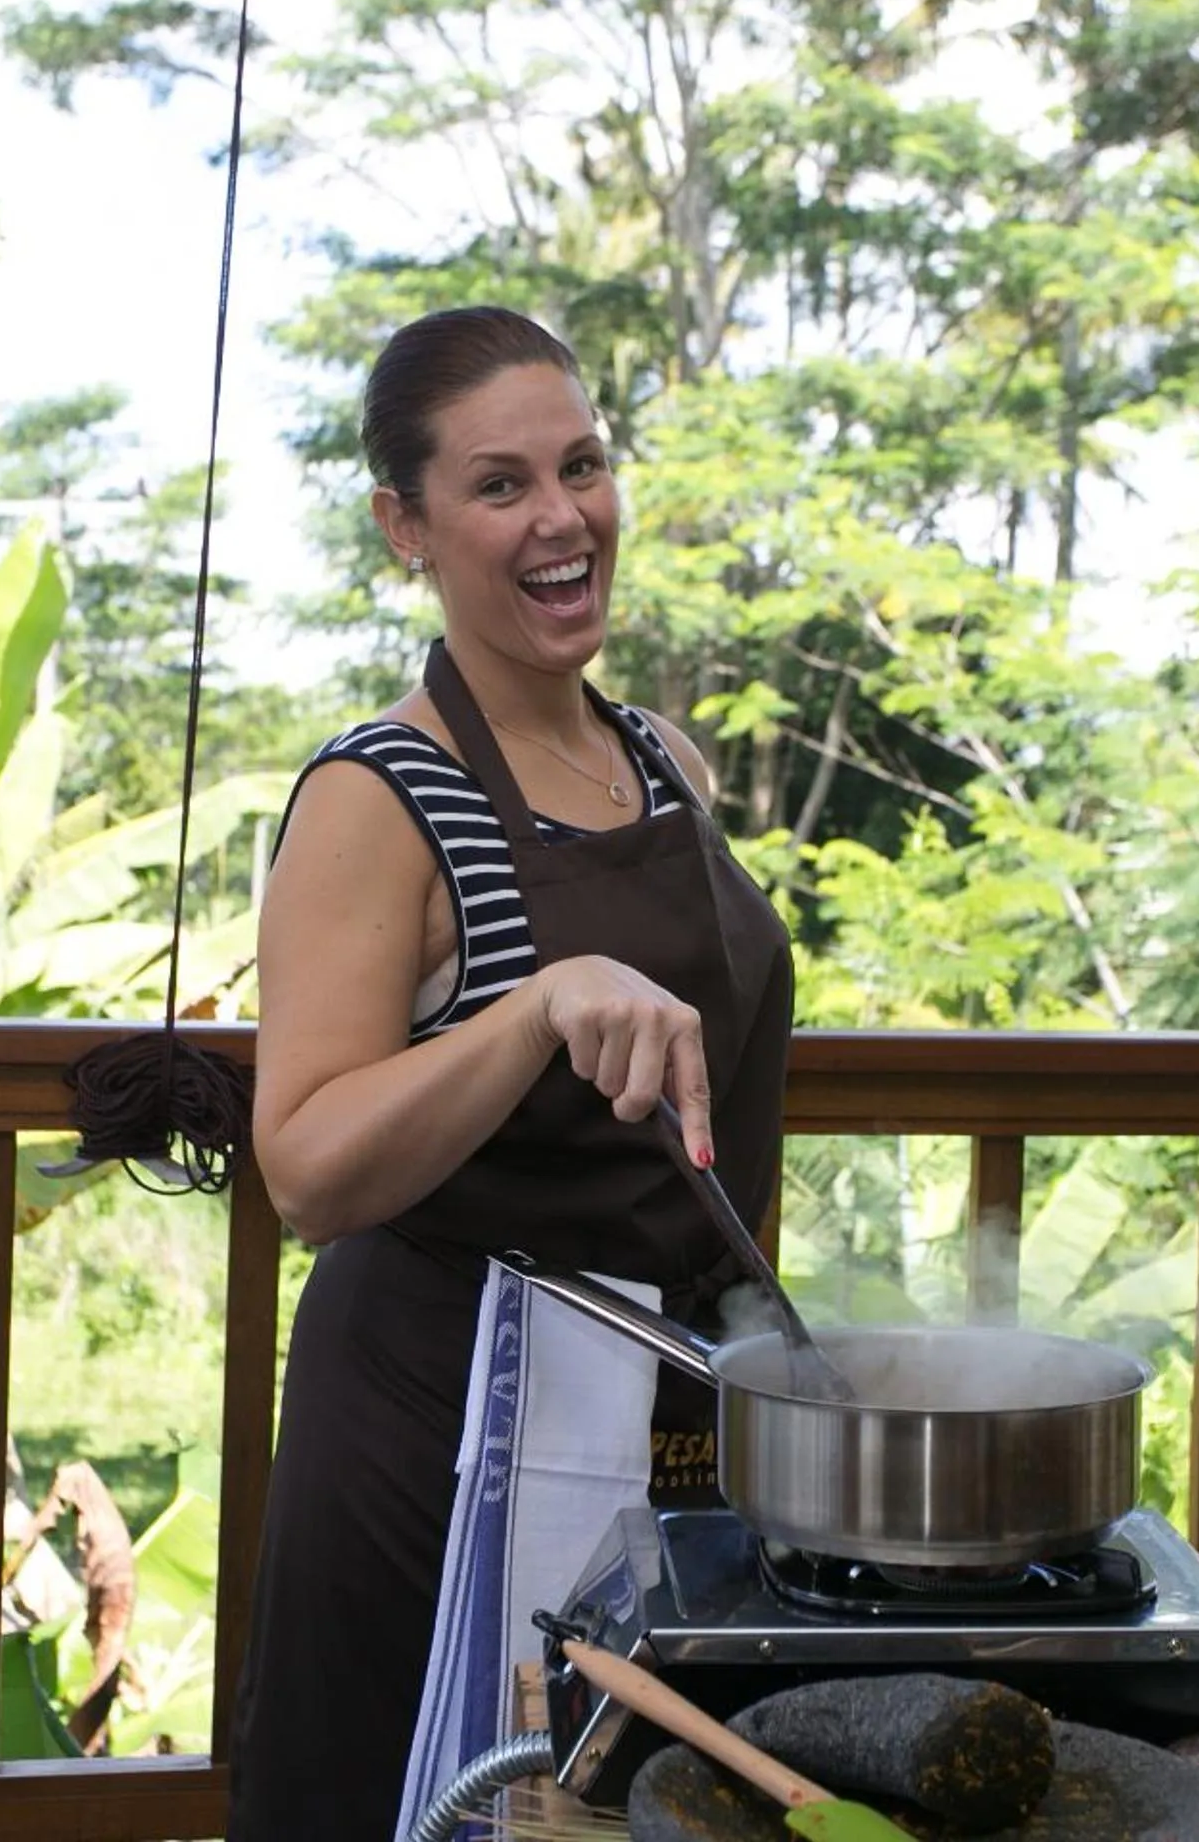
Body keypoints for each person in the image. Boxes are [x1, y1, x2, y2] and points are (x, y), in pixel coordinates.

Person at [224, 306, 795, 1840]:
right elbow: (306, 1168)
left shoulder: (663, 761)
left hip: (675, 1432)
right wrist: (534, 1006)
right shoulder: (378, 796)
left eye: (582, 467)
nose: (562, 518)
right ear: (404, 525)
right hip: (442, 1439)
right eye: (500, 485)